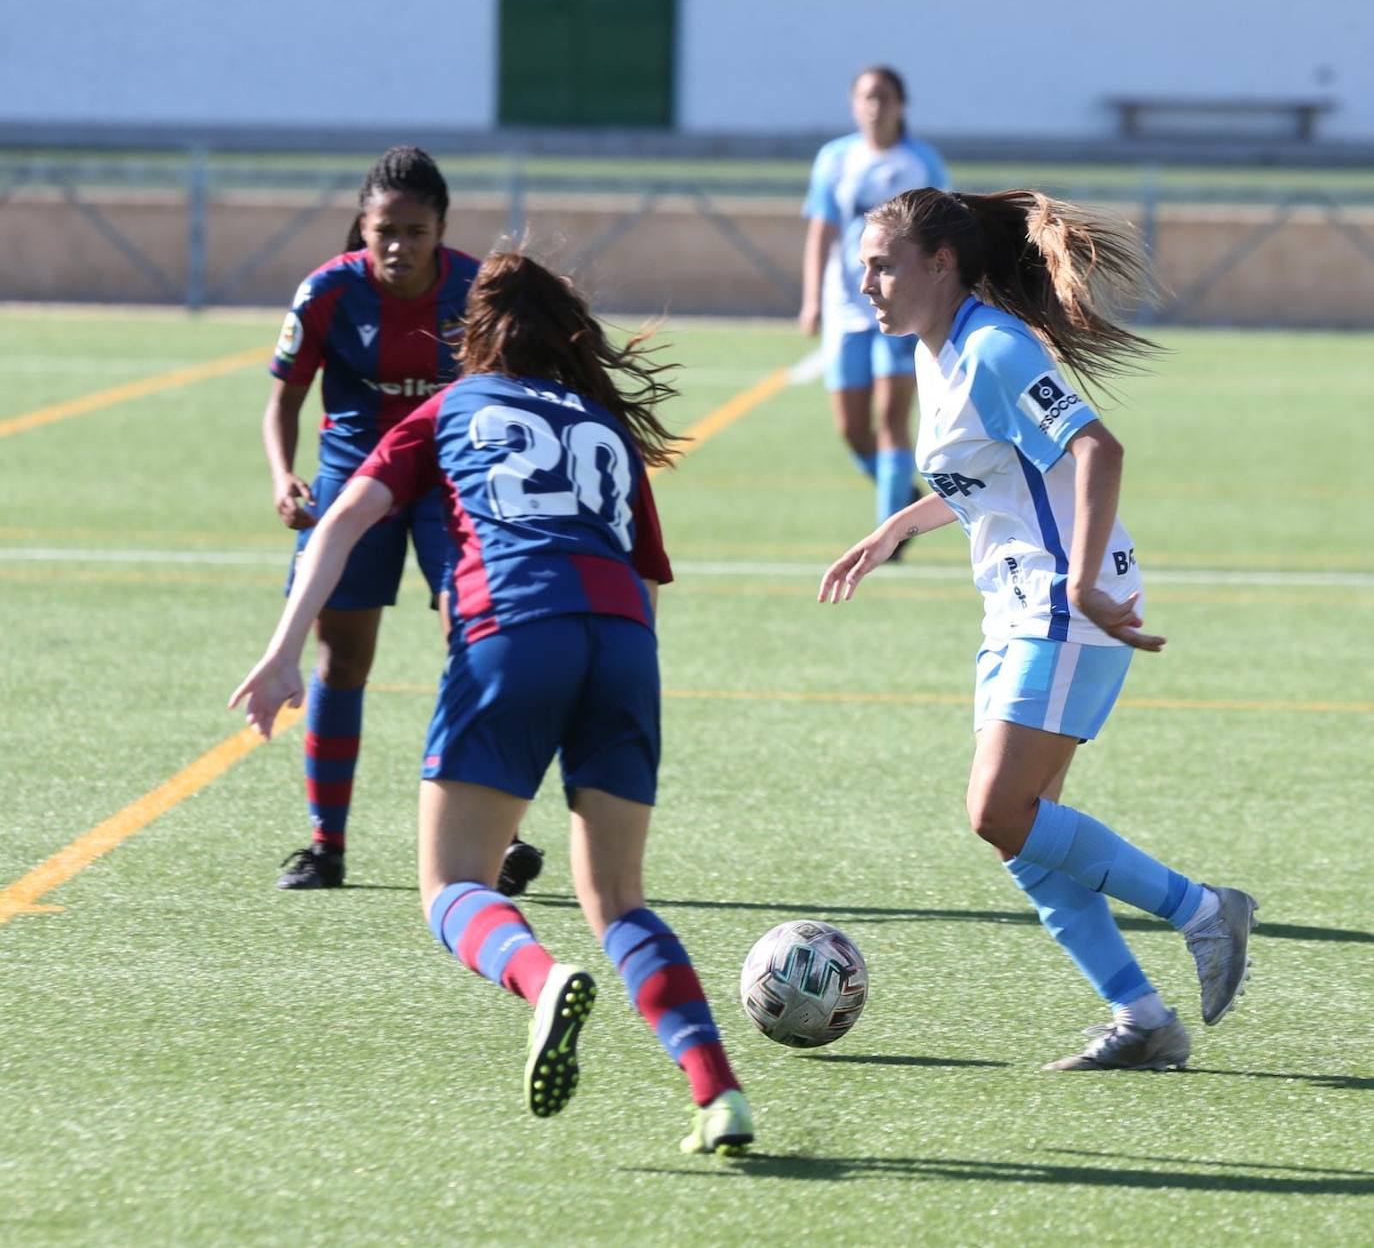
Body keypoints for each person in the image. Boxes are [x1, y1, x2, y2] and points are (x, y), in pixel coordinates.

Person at [232, 250, 754, 1153]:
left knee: (452, 885)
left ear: (472, 333)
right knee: (620, 896)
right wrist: (623, 683)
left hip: (514, 627)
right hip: (625, 644)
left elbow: (343, 519)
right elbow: (648, 577)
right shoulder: (603, 425)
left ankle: (542, 978)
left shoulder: (446, 408)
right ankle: (718, 1090)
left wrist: (283, 653)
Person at [818, 186, 1259, 1071]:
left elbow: (1097, 449)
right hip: (1017, 607)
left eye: (881, 264)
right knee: (1020, 828)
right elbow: (990, 472)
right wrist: (893, 527)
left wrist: (1085, 578)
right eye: (863, 265)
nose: (865, 281)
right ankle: (1141, 1018)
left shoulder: (995, 348)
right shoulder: (937, 352)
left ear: (940, 265)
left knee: (998, 809)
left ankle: (1203, 910)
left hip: (1061, 607)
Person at [263, 145, 543, 895]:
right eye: (385, 229)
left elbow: (514, 387)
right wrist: (282, 474)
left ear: (440, 230)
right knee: (343, 659)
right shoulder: (326, 291)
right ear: (363, 225)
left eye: (415, 231)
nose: (398, 245)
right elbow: (283, 398)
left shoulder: (478, 288)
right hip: (355, 482)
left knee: (478, 643)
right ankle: (327, 845)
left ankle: (503, 838)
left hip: (450, 483)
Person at [799, 66, 950, 543]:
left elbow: (943, 231)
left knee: (891, 419)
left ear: (900, 105)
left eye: (884, 97)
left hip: (900, 307)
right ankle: (903, 497)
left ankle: (893, 532)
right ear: (853, 104)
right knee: (852, 429)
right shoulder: (836, 159)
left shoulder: (921, 161)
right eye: (867, 97)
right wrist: (810, 299)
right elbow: (821, 230)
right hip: (846, 306)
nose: (875, 106)